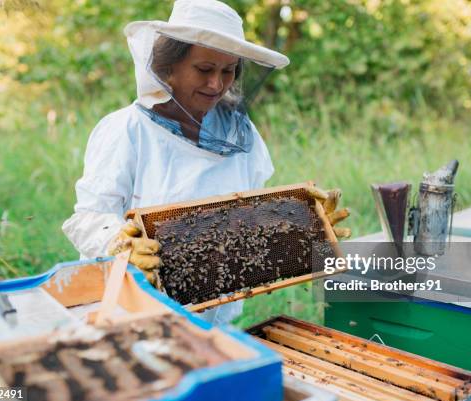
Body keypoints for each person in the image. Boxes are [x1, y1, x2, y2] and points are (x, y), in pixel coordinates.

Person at [62, 0, 349, 325]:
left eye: (228, 71)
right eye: (204, 69)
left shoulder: (244, 137)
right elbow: (88, 217)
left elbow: (249, 228)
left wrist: (306, 228)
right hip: (127, 319)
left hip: (213, 326)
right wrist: (118, 243)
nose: (216, 84)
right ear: (169, 66)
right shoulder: (126, 130)